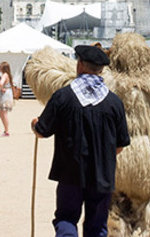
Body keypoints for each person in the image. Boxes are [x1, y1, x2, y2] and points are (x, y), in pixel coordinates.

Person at [31, 45, 130, 237]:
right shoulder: (114, 102)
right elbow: (119, 145)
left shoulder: (63, 96)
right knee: (97, 225)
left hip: (70, 173)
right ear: (101, 69)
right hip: (102, 174)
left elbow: (42, 132)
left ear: (81, 65)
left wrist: (35, 125)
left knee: (66, 218)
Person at [0, 61, 15, 136]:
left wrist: (1, 88)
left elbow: (0, 83)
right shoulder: (8, 75)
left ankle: (6, 130)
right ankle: (6, 130)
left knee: (3, 113)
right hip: (8, 92)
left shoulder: (4, 75)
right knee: (3, 113)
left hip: (5, 93)